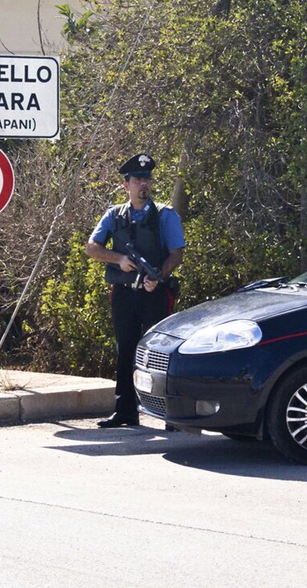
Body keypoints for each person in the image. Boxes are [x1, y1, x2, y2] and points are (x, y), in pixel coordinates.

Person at [86, 153, 185, 428]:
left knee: (159, 354)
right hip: (124, 293)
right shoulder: (113, 215)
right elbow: (92, 248)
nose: (144, 183)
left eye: (147, 178)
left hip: (155, 293)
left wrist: (159, 276)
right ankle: (125, 411)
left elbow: (176, 254)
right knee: (125, 351)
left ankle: (169, 415)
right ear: (126, 185)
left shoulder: (165, 215)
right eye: (138, 179)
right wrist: (118, 259)